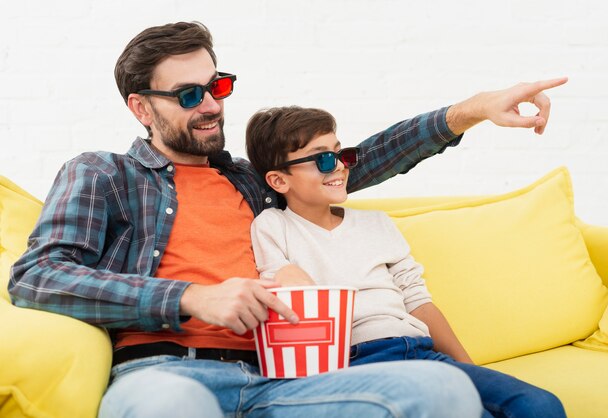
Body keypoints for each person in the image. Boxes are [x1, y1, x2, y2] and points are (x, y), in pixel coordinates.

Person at [6, 20, 565, 418]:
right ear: (141, 107)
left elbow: (353, 162)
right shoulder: (103, 174)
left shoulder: (253, 180)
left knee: (443, 393)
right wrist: (190, 298)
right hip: (166, 375)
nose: (211, 105)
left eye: (217, 86)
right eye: (190, 94)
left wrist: (469, 111)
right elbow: (36, 278)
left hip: (292, 380)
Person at [246, 106, 567, 418]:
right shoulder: (273, 226)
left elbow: (418, 302)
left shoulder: (377, 224)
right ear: (278, 181)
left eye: (342, 154)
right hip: (358, 362)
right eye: (323, 158)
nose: (340, 167)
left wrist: (469, 371)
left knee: (540, 405)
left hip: (421, 350)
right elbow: (287, 293)